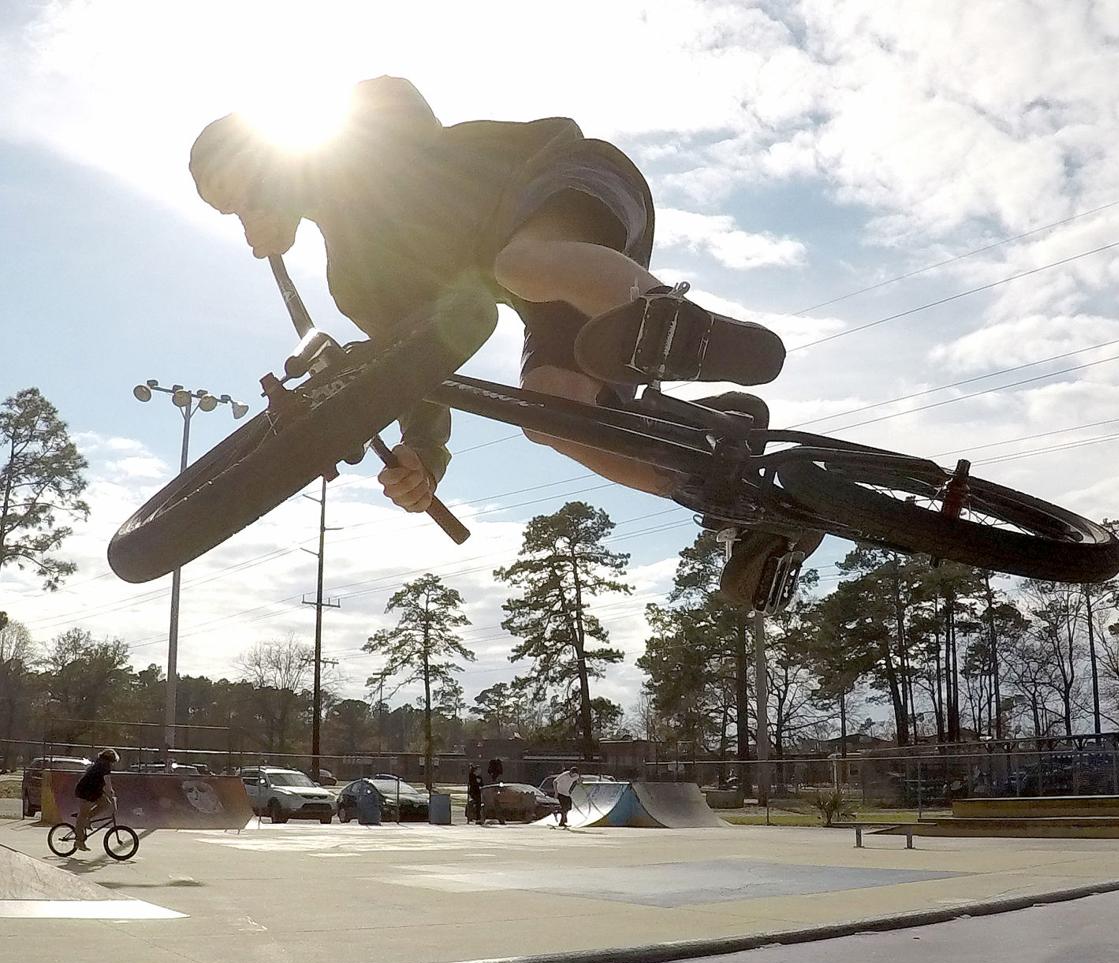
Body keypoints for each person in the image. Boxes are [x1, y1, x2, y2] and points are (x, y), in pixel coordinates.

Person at [188, 77, 822, 600]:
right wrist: (423, 455)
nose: (247, 212)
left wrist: (293, 182)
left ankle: (682, 329)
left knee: (521, 262)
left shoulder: (360, 125)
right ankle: (730, 489)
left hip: (573, 180)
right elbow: (415, 366)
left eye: (245, 188)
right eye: (232, 211)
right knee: (551, 413)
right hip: (560, 286)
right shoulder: (355, 280)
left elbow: (401, 108)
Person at [73, 748, 119, 851]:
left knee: (105, 803)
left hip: (94, 790)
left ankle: (88, 819)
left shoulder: (99, 763)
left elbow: (103, 783)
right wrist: (112, 794)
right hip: (85, 791)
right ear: (111, 760)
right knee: (82, 815)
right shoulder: (104, 766)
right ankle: (79, 841)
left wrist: (110, 795)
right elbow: (107, 784)